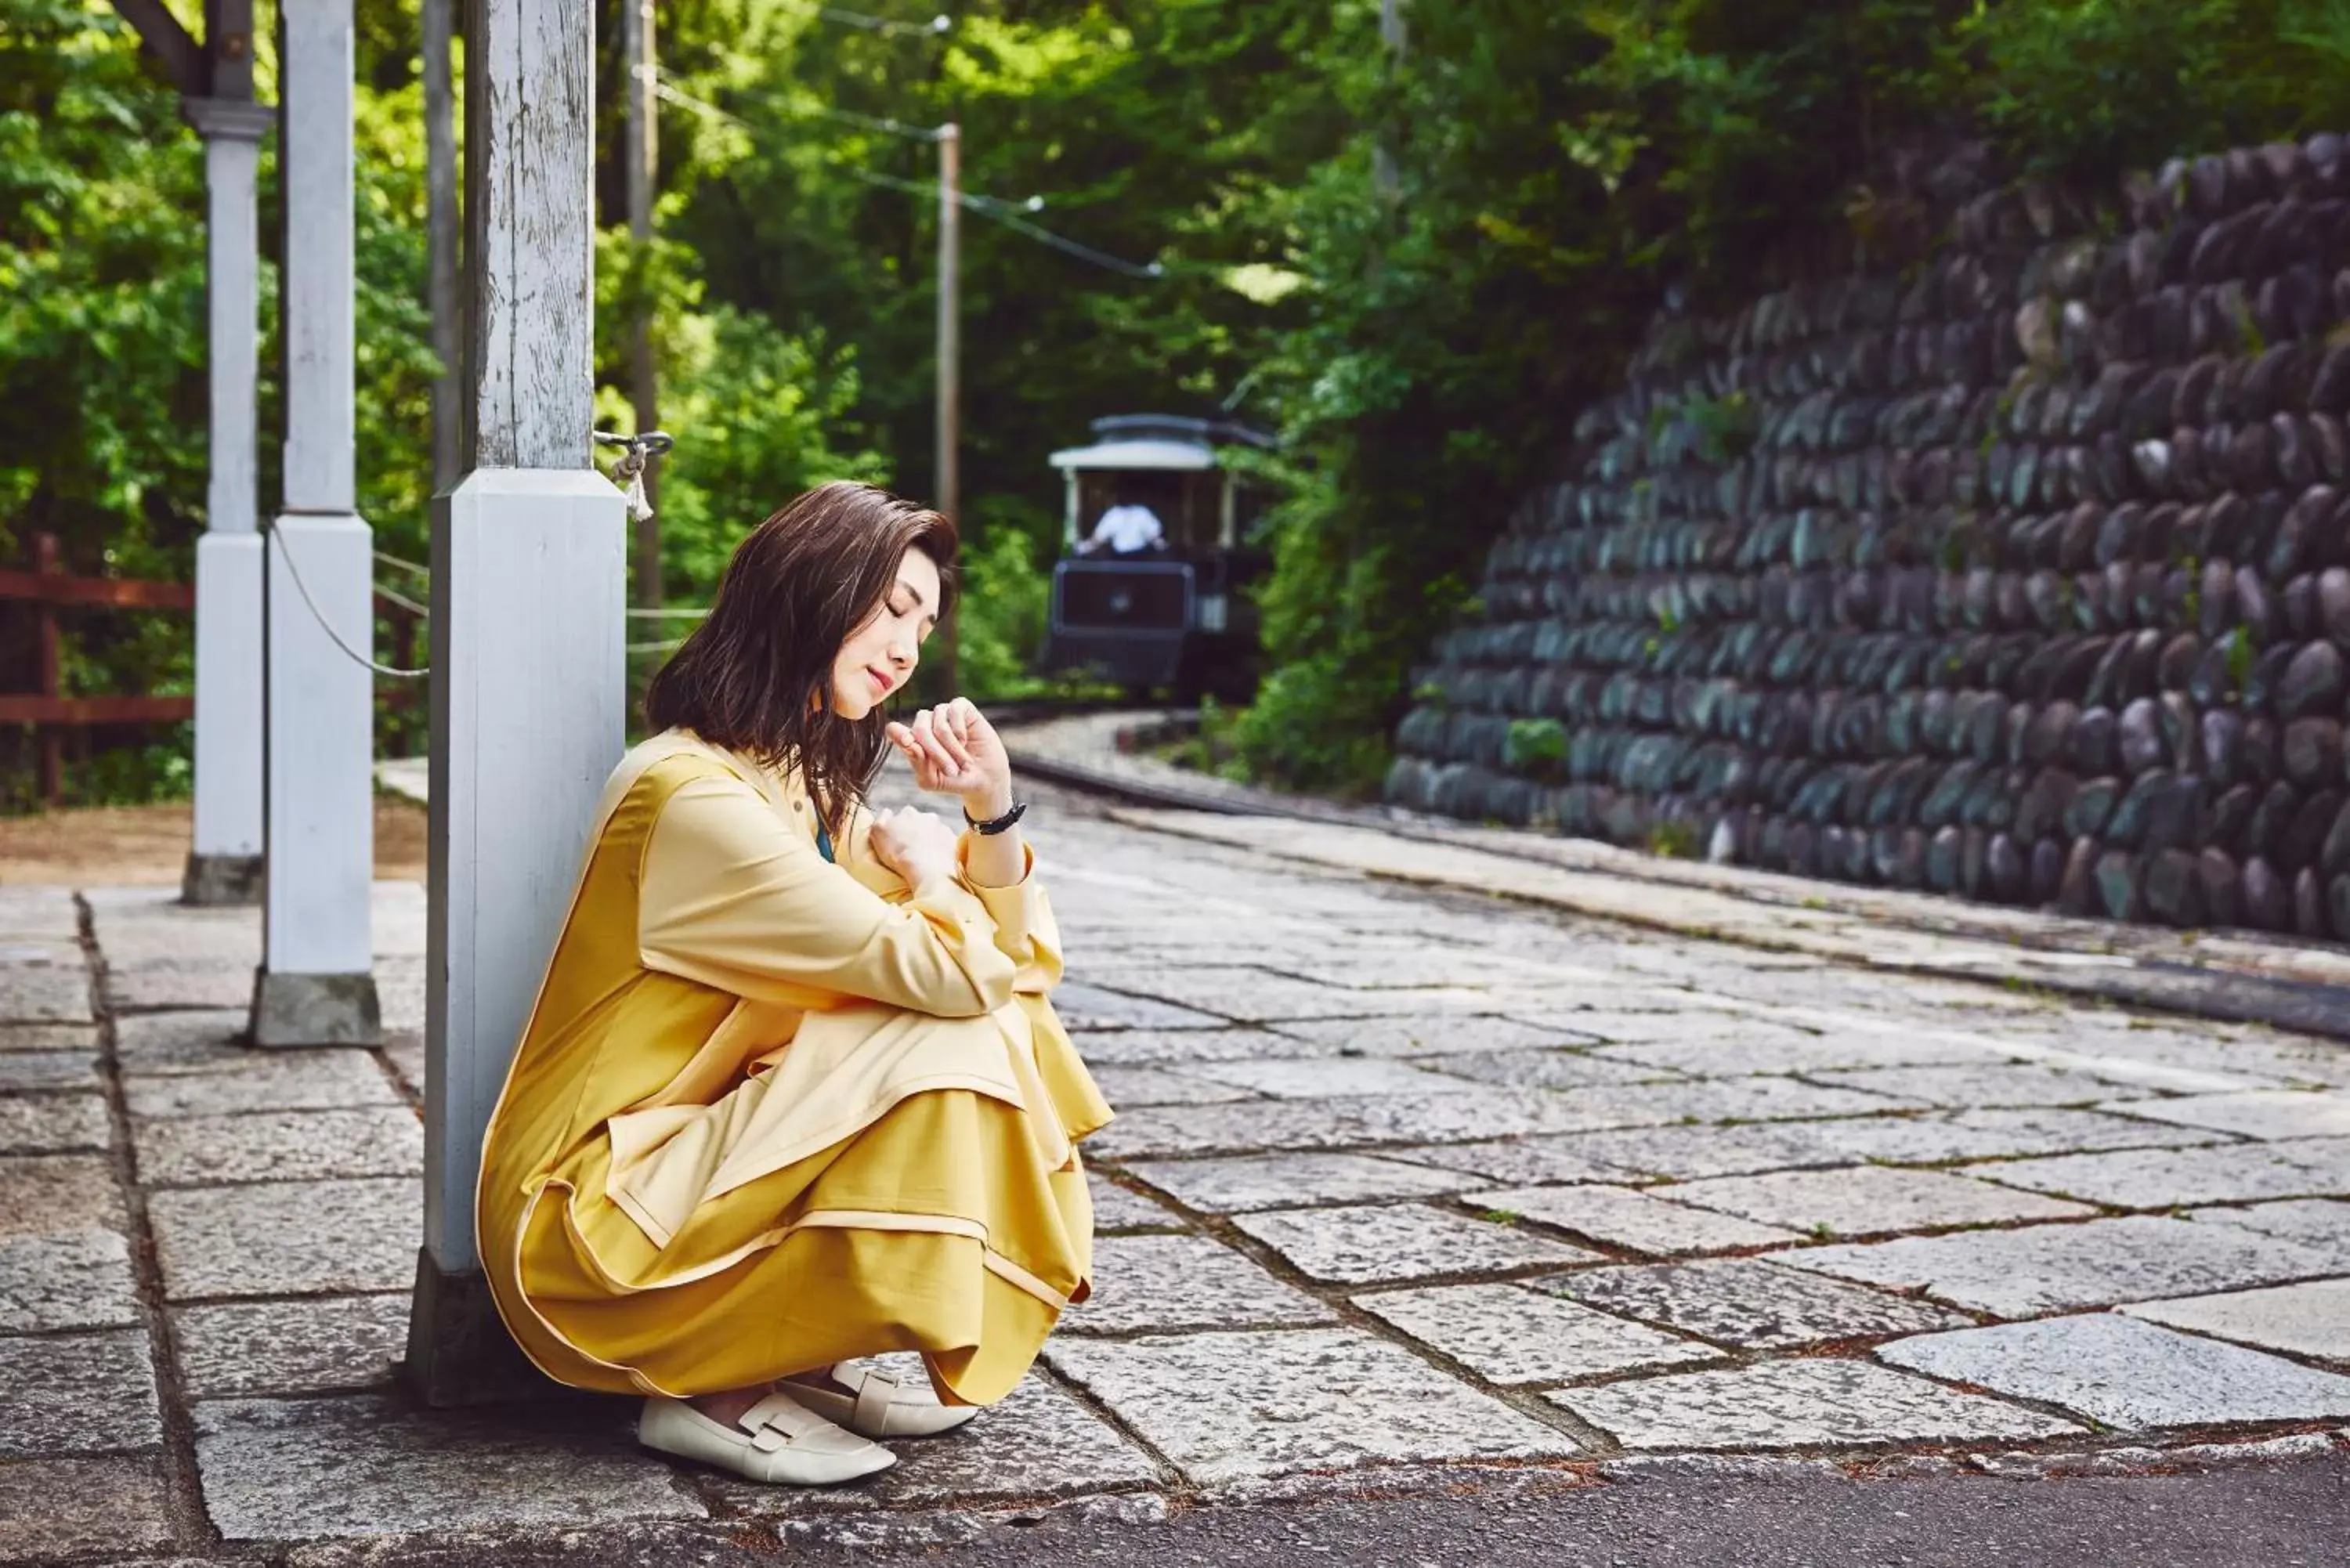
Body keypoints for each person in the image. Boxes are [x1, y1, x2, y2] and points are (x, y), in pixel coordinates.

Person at [475, 481, 1112, 1487]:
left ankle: (792, 1350)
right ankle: (709, 1390)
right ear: (811, 589)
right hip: (586, 1228)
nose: (909, 648)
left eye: (927, 622)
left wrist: (991, 813)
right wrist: (935, 869)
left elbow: (1018, 967)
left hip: (687, 1168)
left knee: (976, 1021)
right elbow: (957, 972)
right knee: (941, 1032)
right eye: (892, 607)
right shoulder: (693, 798)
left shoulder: (793, 781)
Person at [1078, 494, 1166, 555]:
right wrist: (1083, 548)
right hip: (1118, 559)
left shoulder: (1142, 512)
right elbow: (1098, 538)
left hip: (1140, 558)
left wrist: (1165, 550)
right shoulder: (1114, 514)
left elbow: (1154, 537)